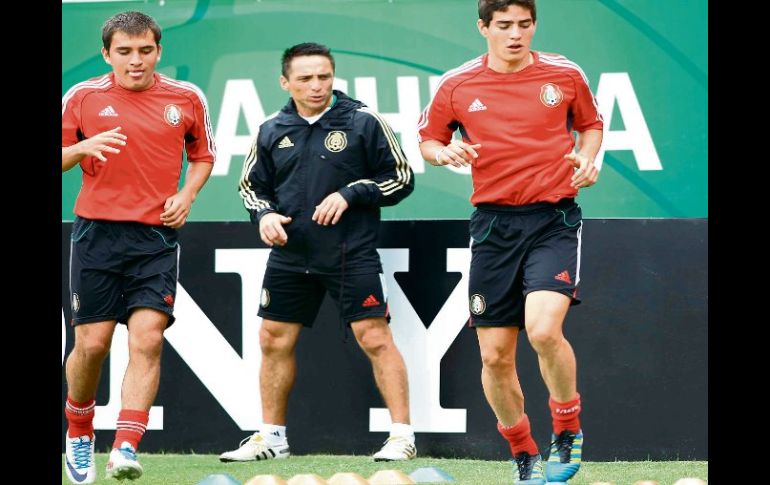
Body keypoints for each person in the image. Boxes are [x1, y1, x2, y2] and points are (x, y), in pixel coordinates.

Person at [417, 1, 603, 483]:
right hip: (493, 228)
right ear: (484, 28)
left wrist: (587, 157)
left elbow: (590, 125)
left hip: (553, 219)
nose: (515, 35)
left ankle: (567, 428)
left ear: (534, 25)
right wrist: (445, 152)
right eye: (503, 26)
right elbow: (429, 141)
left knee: (542, 331)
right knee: (495, 356)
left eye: (524, 24)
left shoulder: (564, 74)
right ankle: (524, 453)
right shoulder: (457, 84)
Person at [221, 42, 416, 463]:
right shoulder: (271, 128)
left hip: (351, 253)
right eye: (306, 78)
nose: (316, 85)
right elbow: (252, 188)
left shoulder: (364, 121)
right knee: (272, 339)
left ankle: (401, 435)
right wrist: (265, 217)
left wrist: (352, 193)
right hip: (291, 255)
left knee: (375, 336)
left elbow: (401, 179)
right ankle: (272, 438)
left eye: (324, 76)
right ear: (285, 82)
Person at [61, 11, 216, 483]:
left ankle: (126, 447)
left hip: (155, 237)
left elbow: (203, 155)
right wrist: (82, 150)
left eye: (145, 50)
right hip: (97, 236)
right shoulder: (82, 97)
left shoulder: (186, 98)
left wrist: (187, 195)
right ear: (107, 54)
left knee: (147, 337)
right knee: (92, 344)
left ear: (158, 51)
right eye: (124, 52)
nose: (136, 61)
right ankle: (79, 430)